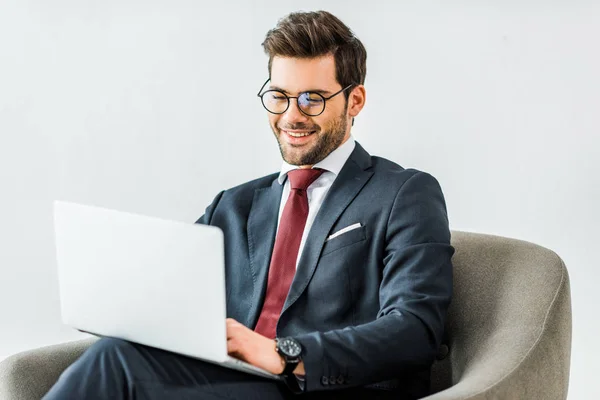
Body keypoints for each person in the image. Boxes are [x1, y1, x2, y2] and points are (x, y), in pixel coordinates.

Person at [43, 10, 454, 400]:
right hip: (233, 382)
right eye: (279, 96)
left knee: (117, 367)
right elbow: (170, 298)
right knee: (116, 354)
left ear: (355, 100)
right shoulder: (233, 206)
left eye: (313, 98)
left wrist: (283, 354)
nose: (292, 115)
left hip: (326, 388)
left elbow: (414, 331)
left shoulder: (404, 193)